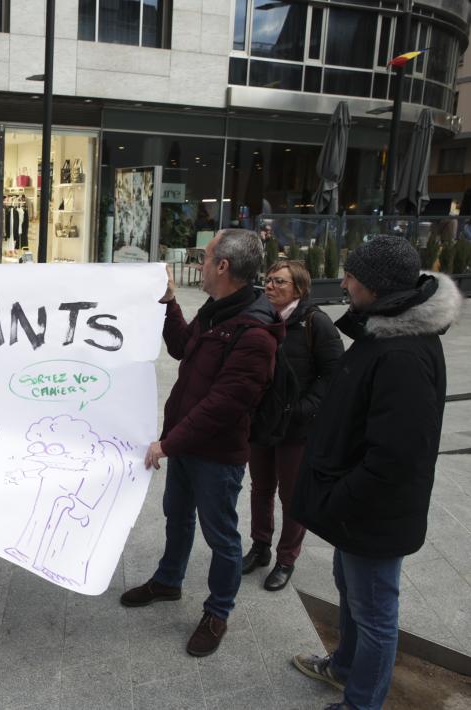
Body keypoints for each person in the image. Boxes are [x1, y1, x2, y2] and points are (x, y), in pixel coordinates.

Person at [290, 236, 461, 710]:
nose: (342, 282)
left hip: (372, 513)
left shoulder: (402, 353)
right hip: (359, 509)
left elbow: (396, 457)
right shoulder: (384, 330)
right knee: (352, 593)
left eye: (351, 276)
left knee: (375, 613)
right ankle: (344, 667)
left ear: (377, 287)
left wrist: (340, 498)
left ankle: (361, 702)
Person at [123, 229, 283, 657]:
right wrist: (169, 304)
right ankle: (169, 582)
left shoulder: (255, 332)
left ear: (223, 267)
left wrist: (167, 443)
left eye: (206, 257)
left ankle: (218, 612)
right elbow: (181, 347)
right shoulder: (217, 310)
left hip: (217, 455)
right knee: (177, 516)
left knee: (222, 537)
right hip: (187, 445)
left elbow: (222, 407)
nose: (200, 264)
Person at [242, 260, 344, 592]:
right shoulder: (259, 317)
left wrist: (304, 408)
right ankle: (260, 547)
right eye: (268, 280)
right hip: (262, 423)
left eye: (279, 282)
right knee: (260, 488)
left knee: (291, 495)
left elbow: (333, 375)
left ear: (298, 289)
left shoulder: (317, 324)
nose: (270, 286)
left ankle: (286, 558)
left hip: (297, 427)